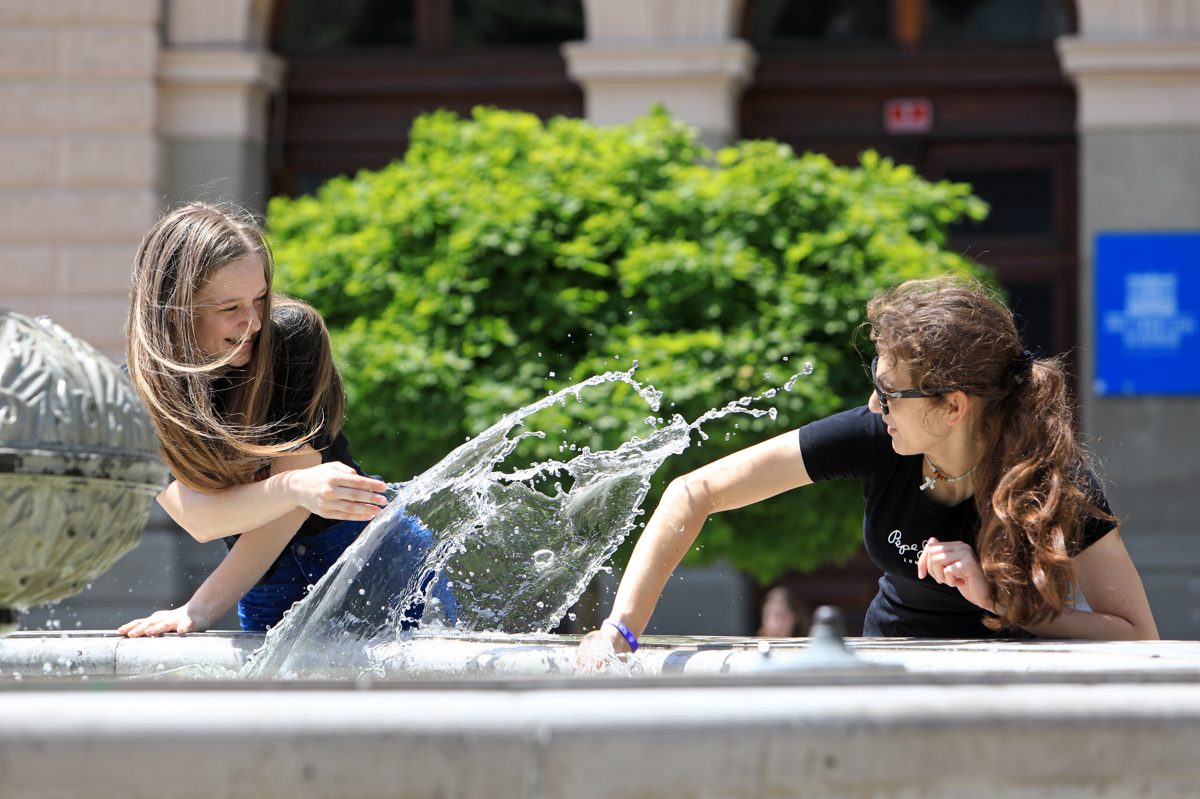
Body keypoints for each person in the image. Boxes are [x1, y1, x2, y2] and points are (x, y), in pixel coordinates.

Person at [581, 275, 1157, 661]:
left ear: (952, 407)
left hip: (1004, 692)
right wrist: (620, 630)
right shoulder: (877, 434)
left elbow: (1139, 636)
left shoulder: (1053, 479)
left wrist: (1001, 602)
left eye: (890, 392)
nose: (875, 405)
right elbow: (695, 491)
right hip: (888, 672)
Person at [118, 202, 423, 636]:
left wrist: (201, 607)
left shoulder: (292, 336)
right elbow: (201, 520)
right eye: (230, 308)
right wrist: (293, 487)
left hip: (368, 555)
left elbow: (290, 510)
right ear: (175, 312)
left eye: (260, 299)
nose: (254, 323)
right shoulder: (136, 395)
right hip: (266, 582)